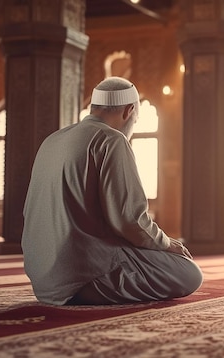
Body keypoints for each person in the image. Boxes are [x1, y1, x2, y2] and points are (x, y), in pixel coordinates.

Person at [22, 77, 202, 305]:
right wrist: (167, 244)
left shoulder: (52, 140)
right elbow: (129, 221)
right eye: (136, 121)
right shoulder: (111, 140)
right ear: (129, 111)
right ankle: (91, 290)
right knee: (189, 272)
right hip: (83, 276)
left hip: (42, 279)